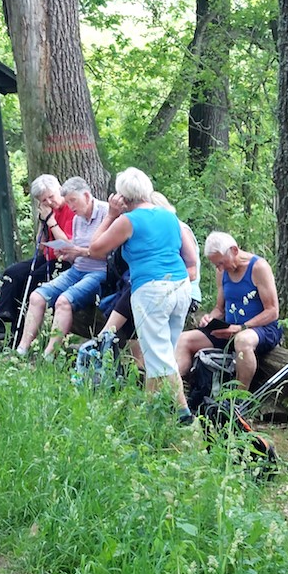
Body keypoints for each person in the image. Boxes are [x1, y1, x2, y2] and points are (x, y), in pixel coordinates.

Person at [86, 168, 192, 422]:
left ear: (123, 196)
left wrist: (110, 215)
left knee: (159, 355)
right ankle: (150, 409)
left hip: (152, 290)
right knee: (162, 351)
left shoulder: (128, 220)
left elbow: (94, 249)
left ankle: (183, 412)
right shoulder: (168, 217)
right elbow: (189, 257)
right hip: (181, 286)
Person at [0, 174, 74, 344]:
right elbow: (40, 245)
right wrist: (42, 222)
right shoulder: (48, 211)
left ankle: (18, 339)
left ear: (59, 190)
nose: (49, 202)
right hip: (48, 256)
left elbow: (67, 245)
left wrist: (51, 221)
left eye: (51, 197)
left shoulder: (71, 208)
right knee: (12, 273)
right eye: (43, 200)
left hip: (65, 261)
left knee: (31, 284)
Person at [175, 231, 282, 394]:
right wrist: (210, 318)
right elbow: (220, 308)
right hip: (229, 329)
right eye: (216, 265)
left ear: (234, 250)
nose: (220, 268)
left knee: (242, 341)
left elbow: (272, 311)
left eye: (221, 263)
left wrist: (242, 327)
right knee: (184, 339)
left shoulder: (259, 267)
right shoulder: (222, 272)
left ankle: (238, 398)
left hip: (260, 329)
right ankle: (175, 391)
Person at [15, 177, 108, 358]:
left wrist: (78, 251)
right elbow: (71, 249)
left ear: (87, 196)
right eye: (69, 201)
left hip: (99, 271)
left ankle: (49, 355)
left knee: (63, 301)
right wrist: (68, 254)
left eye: (73, 200)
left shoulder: (106, 213)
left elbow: (108, 254)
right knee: (36, 296)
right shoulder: (78, 218)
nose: (71, 206)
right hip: (77, 268)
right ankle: (22, 348)